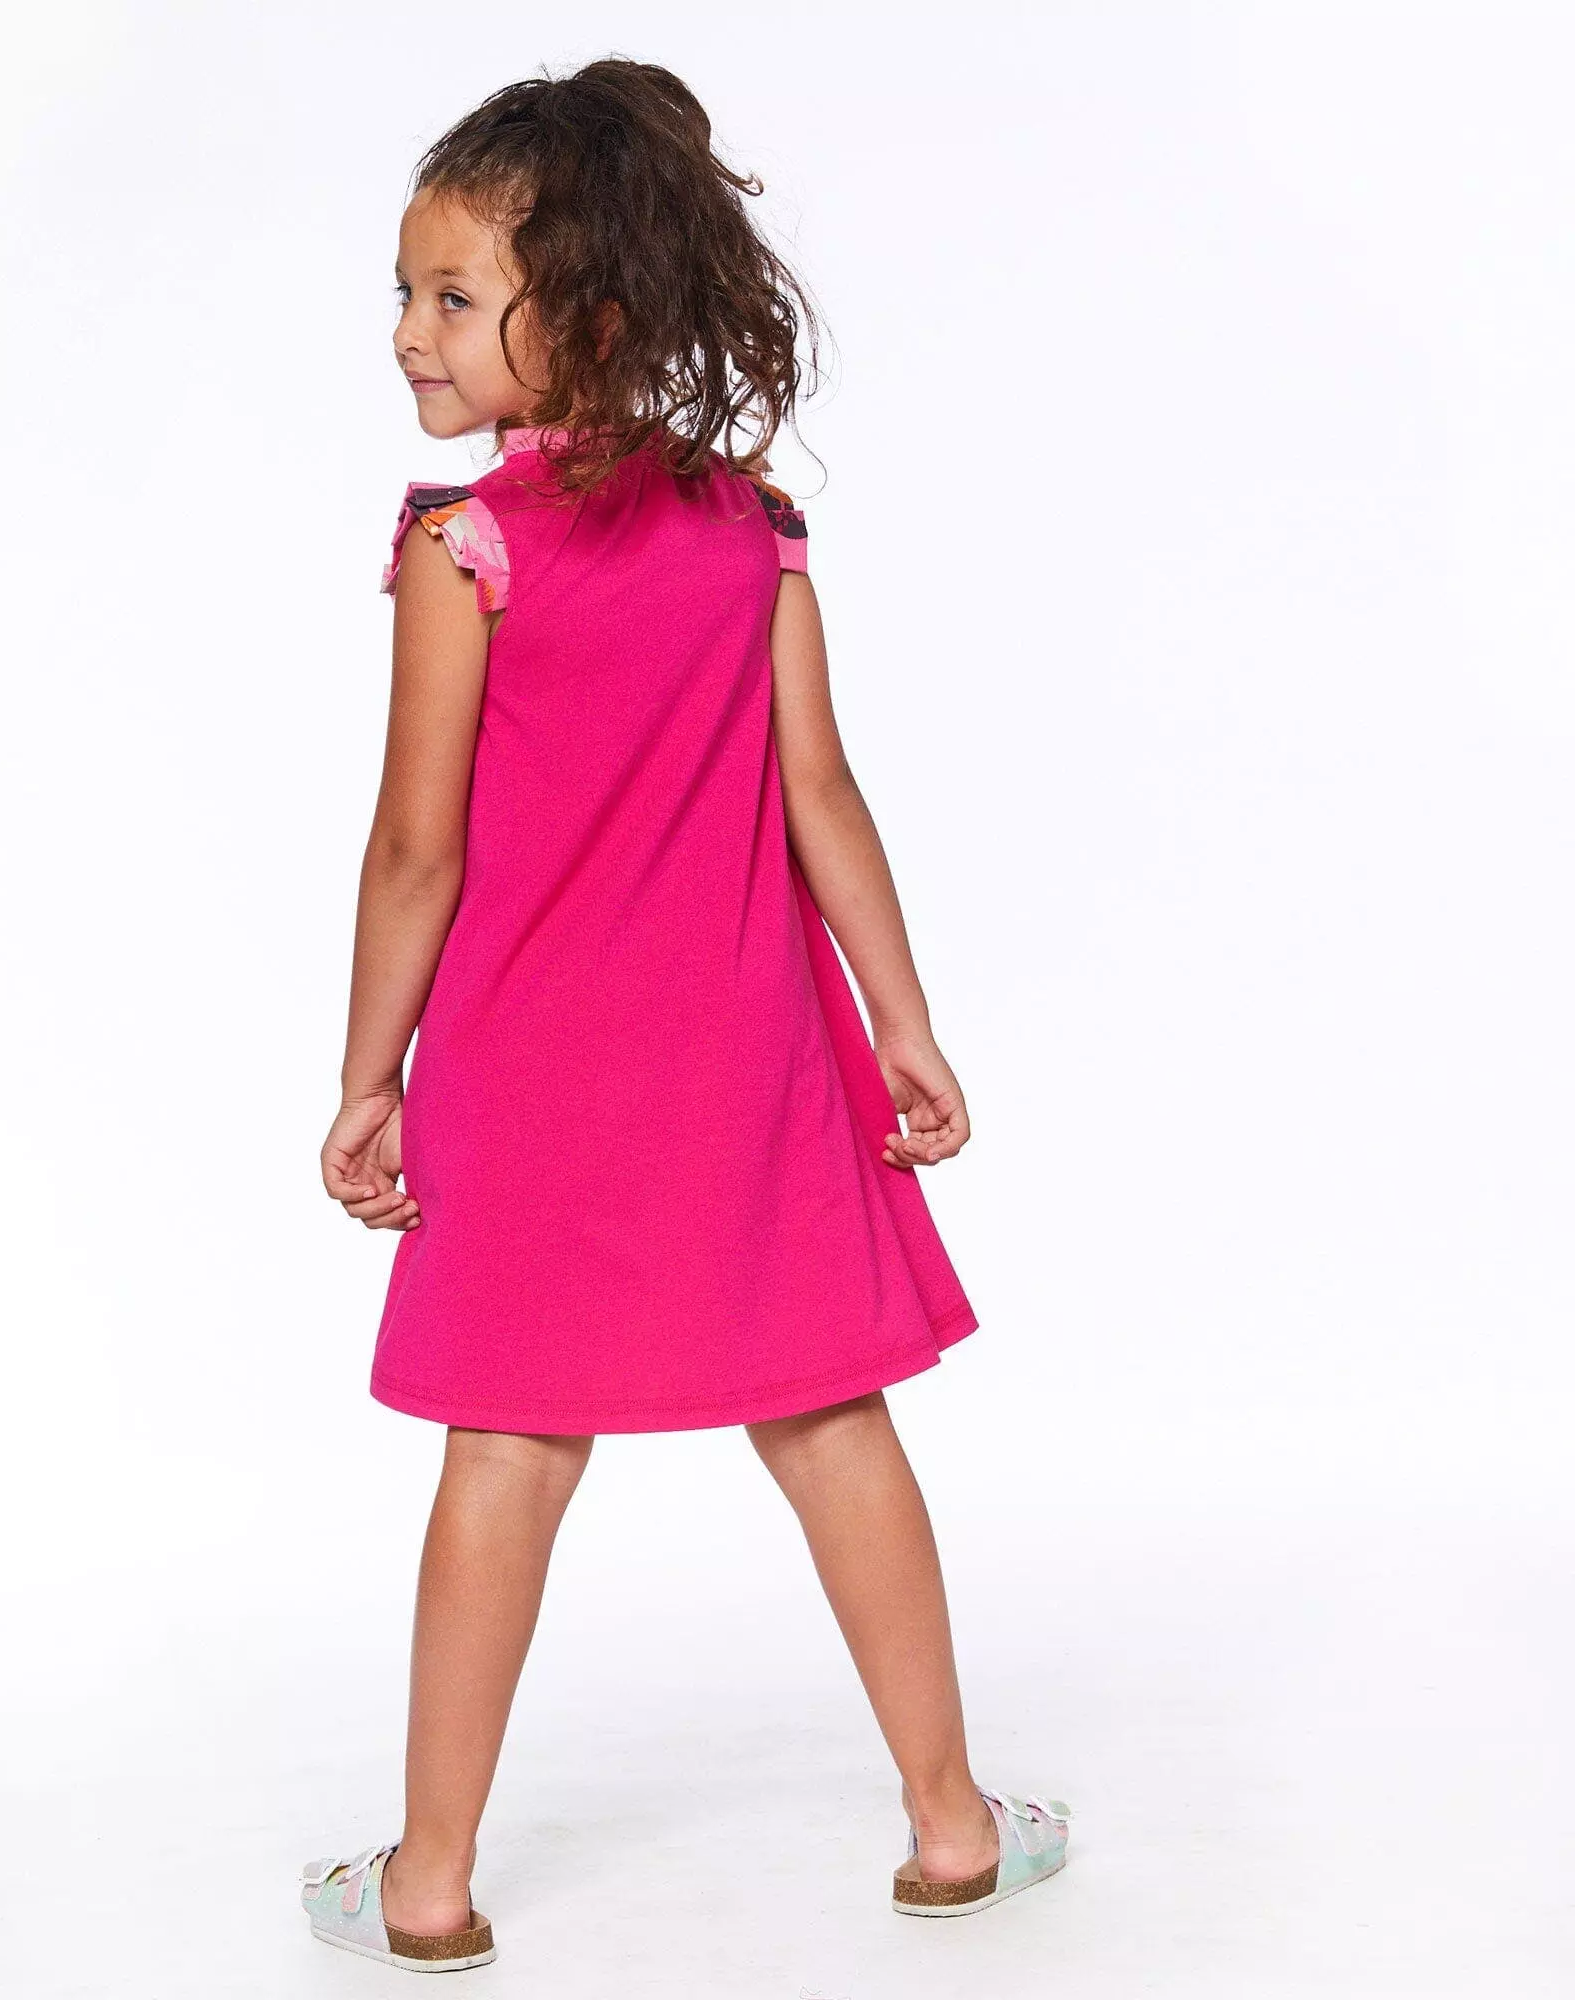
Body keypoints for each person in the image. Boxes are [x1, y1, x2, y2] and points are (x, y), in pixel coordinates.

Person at [305, 57, 1072, 1976]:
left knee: (505, 1452)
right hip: (752, 1072)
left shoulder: (463, 548)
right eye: (405, 291)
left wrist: (368, 1075)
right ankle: (953, 1829)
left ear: (589, 316)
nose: (408, 331)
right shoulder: (755, 529)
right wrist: (902, 1022)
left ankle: (427, 1887)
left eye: (452, 296)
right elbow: (827, 797)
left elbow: (413, 849)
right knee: (830, 1418)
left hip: (526, 1080)